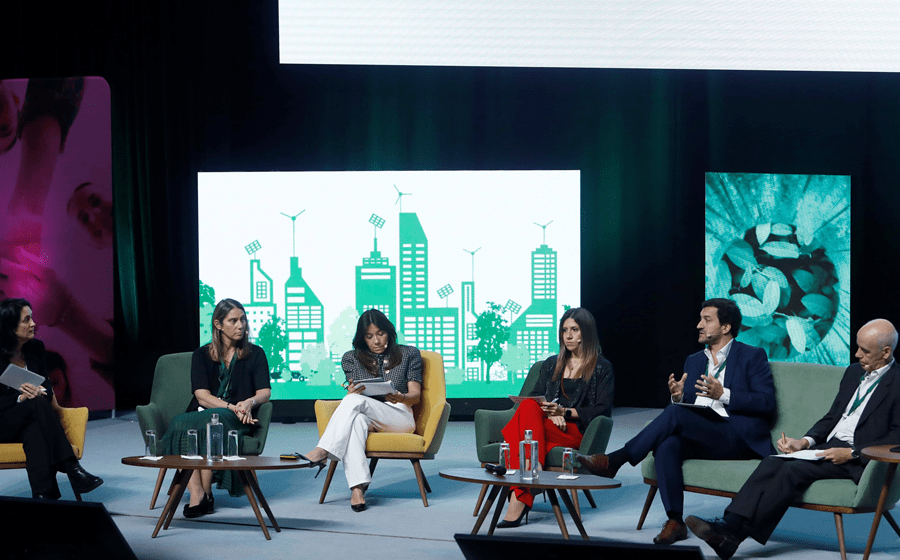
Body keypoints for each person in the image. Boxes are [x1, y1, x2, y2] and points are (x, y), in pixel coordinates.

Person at [686, 319, 900, 560]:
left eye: (865, 350)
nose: (857, 354)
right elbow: (832, 417)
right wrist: (805, 441)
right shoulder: (853, 372)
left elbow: (896, 436)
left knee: (794, 470)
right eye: (857, 347)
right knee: (772, 461)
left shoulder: (898, 382)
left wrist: (852, 453)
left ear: (886, 352)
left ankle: (732, 534)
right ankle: (730, 526)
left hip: (859, 457)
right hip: (828, 446)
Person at [577, 298, 776, 545]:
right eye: (700, 319)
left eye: (707, 320)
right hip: (705, 433)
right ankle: (675, 520)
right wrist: (679, 396)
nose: (698, 325)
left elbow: (766, 403)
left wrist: (723, 394)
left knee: (673, 414)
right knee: (667, 442)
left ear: (726, 327)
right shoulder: (694, 360)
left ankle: (616, 460)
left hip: (737, 435)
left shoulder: (751, 356)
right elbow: (691, 408)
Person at [495, 307, 615, 528]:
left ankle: (522, 492)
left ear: (586, 333)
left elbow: (602, 410)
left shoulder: (601, 367)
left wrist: (564, 412)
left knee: (515, 430)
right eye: (564, 330)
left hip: (575, 432)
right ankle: (534, 473)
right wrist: (551, 416)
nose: (568, 336)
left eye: (575, 330)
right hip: (547, 427)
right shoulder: (551, 363)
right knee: (529, 406)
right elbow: (533, 398)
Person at [159, 298, 271, 518]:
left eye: (243, 320)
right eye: (234, 320)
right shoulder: (201, 354)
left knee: (215, 420)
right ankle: (198, 492)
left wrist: (248, 403)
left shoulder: (256, 354)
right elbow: (201, 396)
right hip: (209, 412)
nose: (241, 325)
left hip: (238, 418)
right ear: (218, 325)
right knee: (182, 422)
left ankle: (205, 493)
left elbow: (264, 392)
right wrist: (231, 406)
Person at [302, 309, 422, 512]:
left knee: (353, 401)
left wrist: (400, 397)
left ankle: (323, 450)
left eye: (380, 334)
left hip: (400, 415)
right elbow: (357, 393)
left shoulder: (409, 353)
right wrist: (352, 391)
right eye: (369, 336)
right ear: (362, 338)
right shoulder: (351, 358)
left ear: (389, 333)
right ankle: (357, 489)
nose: (376, 341)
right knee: (355, 418)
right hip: (366, 414)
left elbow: (415, 396)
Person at [0, 298, 102, 499]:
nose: (33, 324)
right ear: (11, 327)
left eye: (32, 318)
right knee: (33, 404)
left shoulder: (36, 347)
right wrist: (20, 398)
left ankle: (45, 498)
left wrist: (38, 393)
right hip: (3, 421)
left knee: (35, 432)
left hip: (30, 418)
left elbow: (46, 386)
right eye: (26, 320)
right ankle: (72, 468)